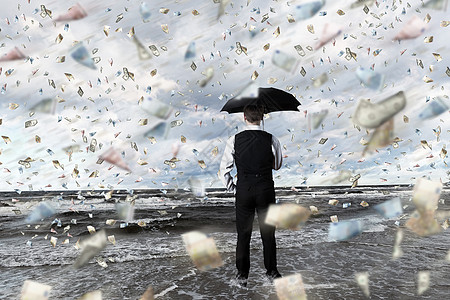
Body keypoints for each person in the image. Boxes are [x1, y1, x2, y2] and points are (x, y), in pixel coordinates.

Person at [219, 104, 283, 287]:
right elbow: (277, 165)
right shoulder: (272, 139)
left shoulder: (234, 139)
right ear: (262, 118)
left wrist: (234, 189)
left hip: (244, 190)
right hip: (265, 189)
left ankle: (242, 276)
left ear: (244, 118)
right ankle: (272, 273)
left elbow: (224, 170)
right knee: (268, 234)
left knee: (243, 235)